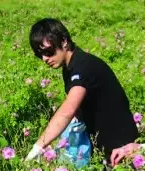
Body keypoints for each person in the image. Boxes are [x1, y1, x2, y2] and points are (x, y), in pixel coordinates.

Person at [24, 18, 138, 163]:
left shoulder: (84, 66)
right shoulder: (70, 67)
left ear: (64, 41)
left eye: (48, 51)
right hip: (101, 145)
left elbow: (68, 109)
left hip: (121, 147)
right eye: (39, 55)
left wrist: (38, 147)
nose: (45, 58)